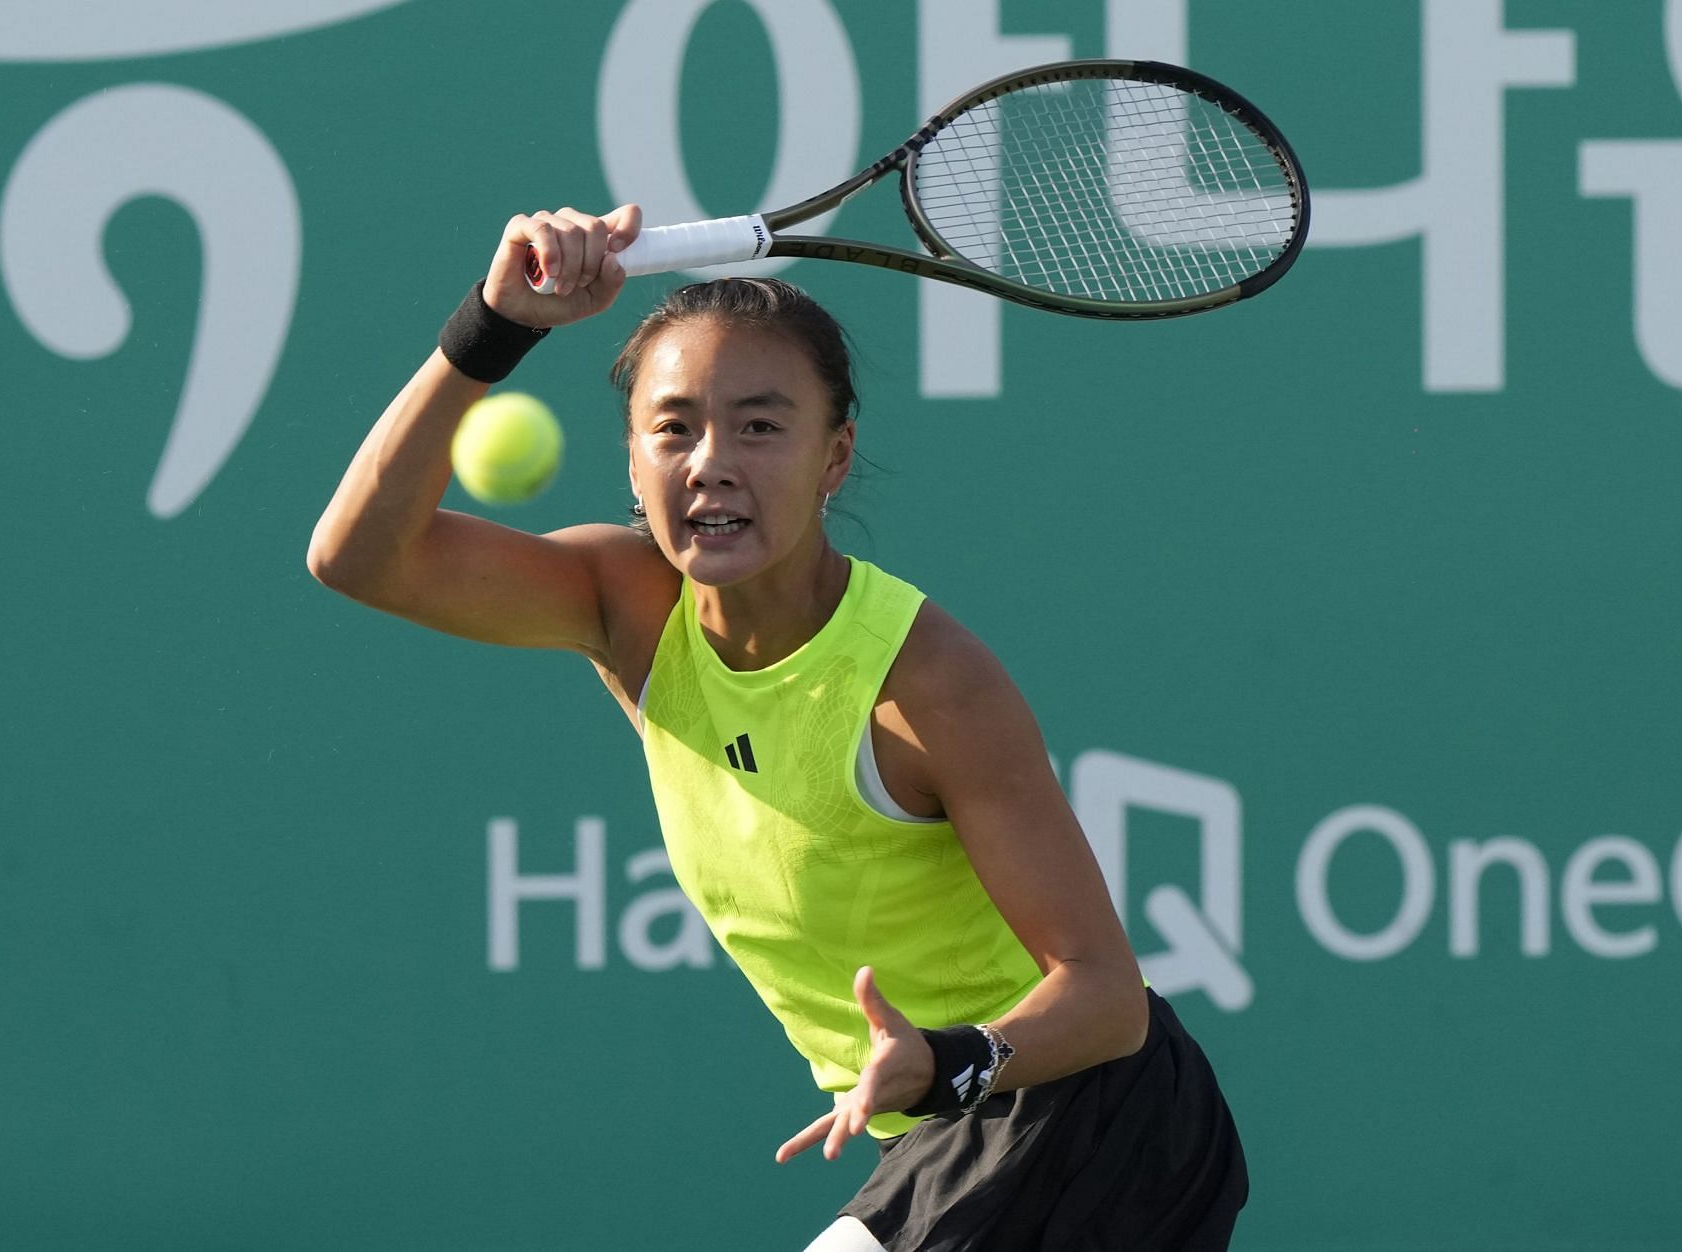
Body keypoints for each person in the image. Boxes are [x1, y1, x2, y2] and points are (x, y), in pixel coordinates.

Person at [308, 205, 1248, 1250]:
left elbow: (1106, 996)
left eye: (760, 425)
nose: (712, 462)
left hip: (1091, 1120)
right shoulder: (628, 608)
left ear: (834, 458)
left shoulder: (927, 685)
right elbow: (359, 558)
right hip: (949, 1141)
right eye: (674, 427)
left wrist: (946, 1060)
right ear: (630, 463)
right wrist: (497, 322)